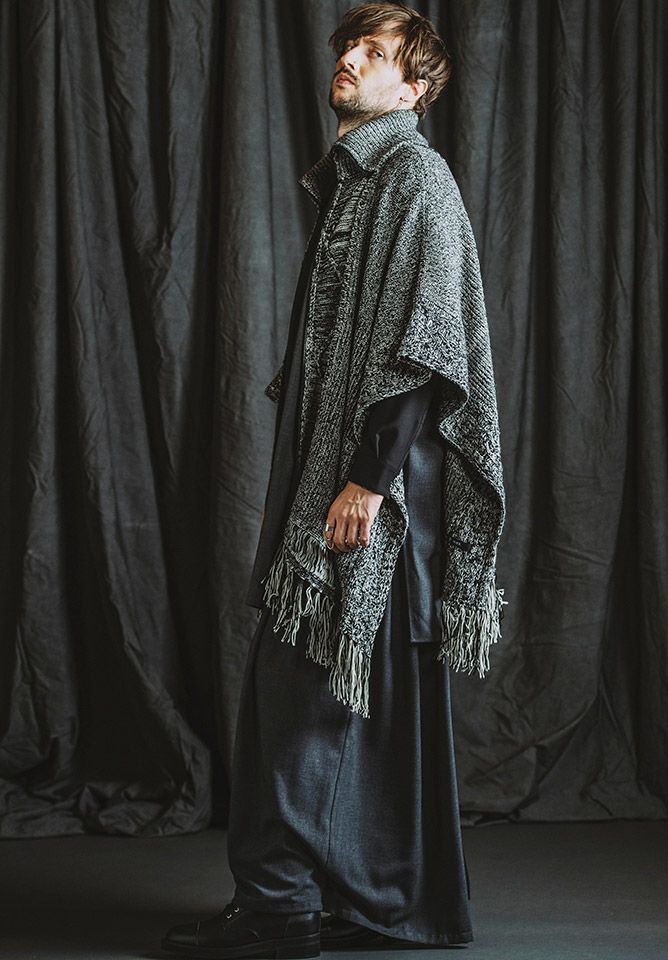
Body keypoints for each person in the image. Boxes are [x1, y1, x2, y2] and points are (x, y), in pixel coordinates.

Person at [161, 3, 506, 957]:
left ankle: (278, 911)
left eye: (376, 52)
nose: (349, 57)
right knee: (361, 699)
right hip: (363, 482)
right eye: (348, 45)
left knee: (300, 691)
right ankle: (382, 903)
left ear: (416, 88)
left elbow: (430, 346)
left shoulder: (415, 177)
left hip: (378, 498)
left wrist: (365, 480)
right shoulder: (361, 181)